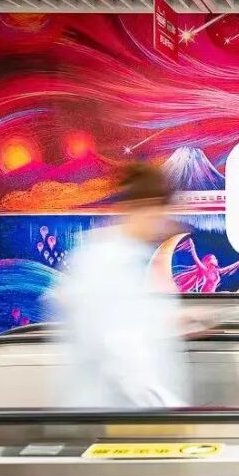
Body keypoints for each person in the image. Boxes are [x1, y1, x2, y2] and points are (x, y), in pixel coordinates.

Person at [53, 162, 191, 409]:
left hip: (128, 413)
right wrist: (172, 410)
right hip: (115, 414)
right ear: (144, 209)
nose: (165, 223)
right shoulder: (107, 264)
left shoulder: (129, 259)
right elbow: (122, 355)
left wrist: (173, 320)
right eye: (161, 213)